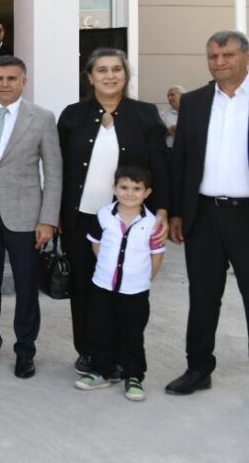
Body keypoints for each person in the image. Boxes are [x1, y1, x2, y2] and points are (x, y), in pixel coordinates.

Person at [57, 48, 169, 377]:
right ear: (90, 77)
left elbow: (161, 165)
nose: (109, 75)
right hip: (81, 218)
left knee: (124, 289)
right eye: (101, 70)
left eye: (116, 69)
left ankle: (123, 355)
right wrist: (54, 214)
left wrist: (162, 209)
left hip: (128, 223)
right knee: (85, 289)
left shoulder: (146, 115)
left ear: (126, 75)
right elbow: (58, 168)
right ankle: (90, 352)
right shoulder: (72, 116)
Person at [0, 56, 62, 378]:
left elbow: (54, 172)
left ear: (24, 81)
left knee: (25, 287)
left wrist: (48, 219)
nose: (4, 84)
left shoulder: (43, 118)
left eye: (11, 78)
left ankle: (25, 351)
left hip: (26, 218)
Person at [166, 30, 249, 395]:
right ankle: (198, 368)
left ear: (245, 56)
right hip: (203, 214)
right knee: (202, 296)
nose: (219, 63)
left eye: (227, 55)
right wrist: (178, 213)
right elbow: (180, 160)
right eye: (213, 57)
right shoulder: (196, 102)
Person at [74, 166, 164, 402]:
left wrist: (144, 278)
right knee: (100, 329)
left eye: (137, 189)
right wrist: (107, 268)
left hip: (134, 291)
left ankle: (133, 375)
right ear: (114, 189)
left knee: (132, 334)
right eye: (124, 187)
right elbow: (96, 244)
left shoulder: (152, 223)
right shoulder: (104, 215)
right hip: (103, 286)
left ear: (147, 192)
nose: (129, 193)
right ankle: (101, 371)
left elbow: (156, 255)